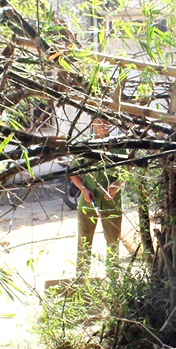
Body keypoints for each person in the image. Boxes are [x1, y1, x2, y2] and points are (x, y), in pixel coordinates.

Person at [70, 118, 123, 279]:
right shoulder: (84, 145)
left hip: (112, 203)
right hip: (87, 203)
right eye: (99, 121)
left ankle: (113, 282)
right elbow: (73, 172)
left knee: (113, 243)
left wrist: (115, 186)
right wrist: (83, 190)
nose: (103, 125)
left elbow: (128, 170)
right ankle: (81, 281)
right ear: (92, 123)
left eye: (107, 121)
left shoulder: (120, 145)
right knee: (84, 243)